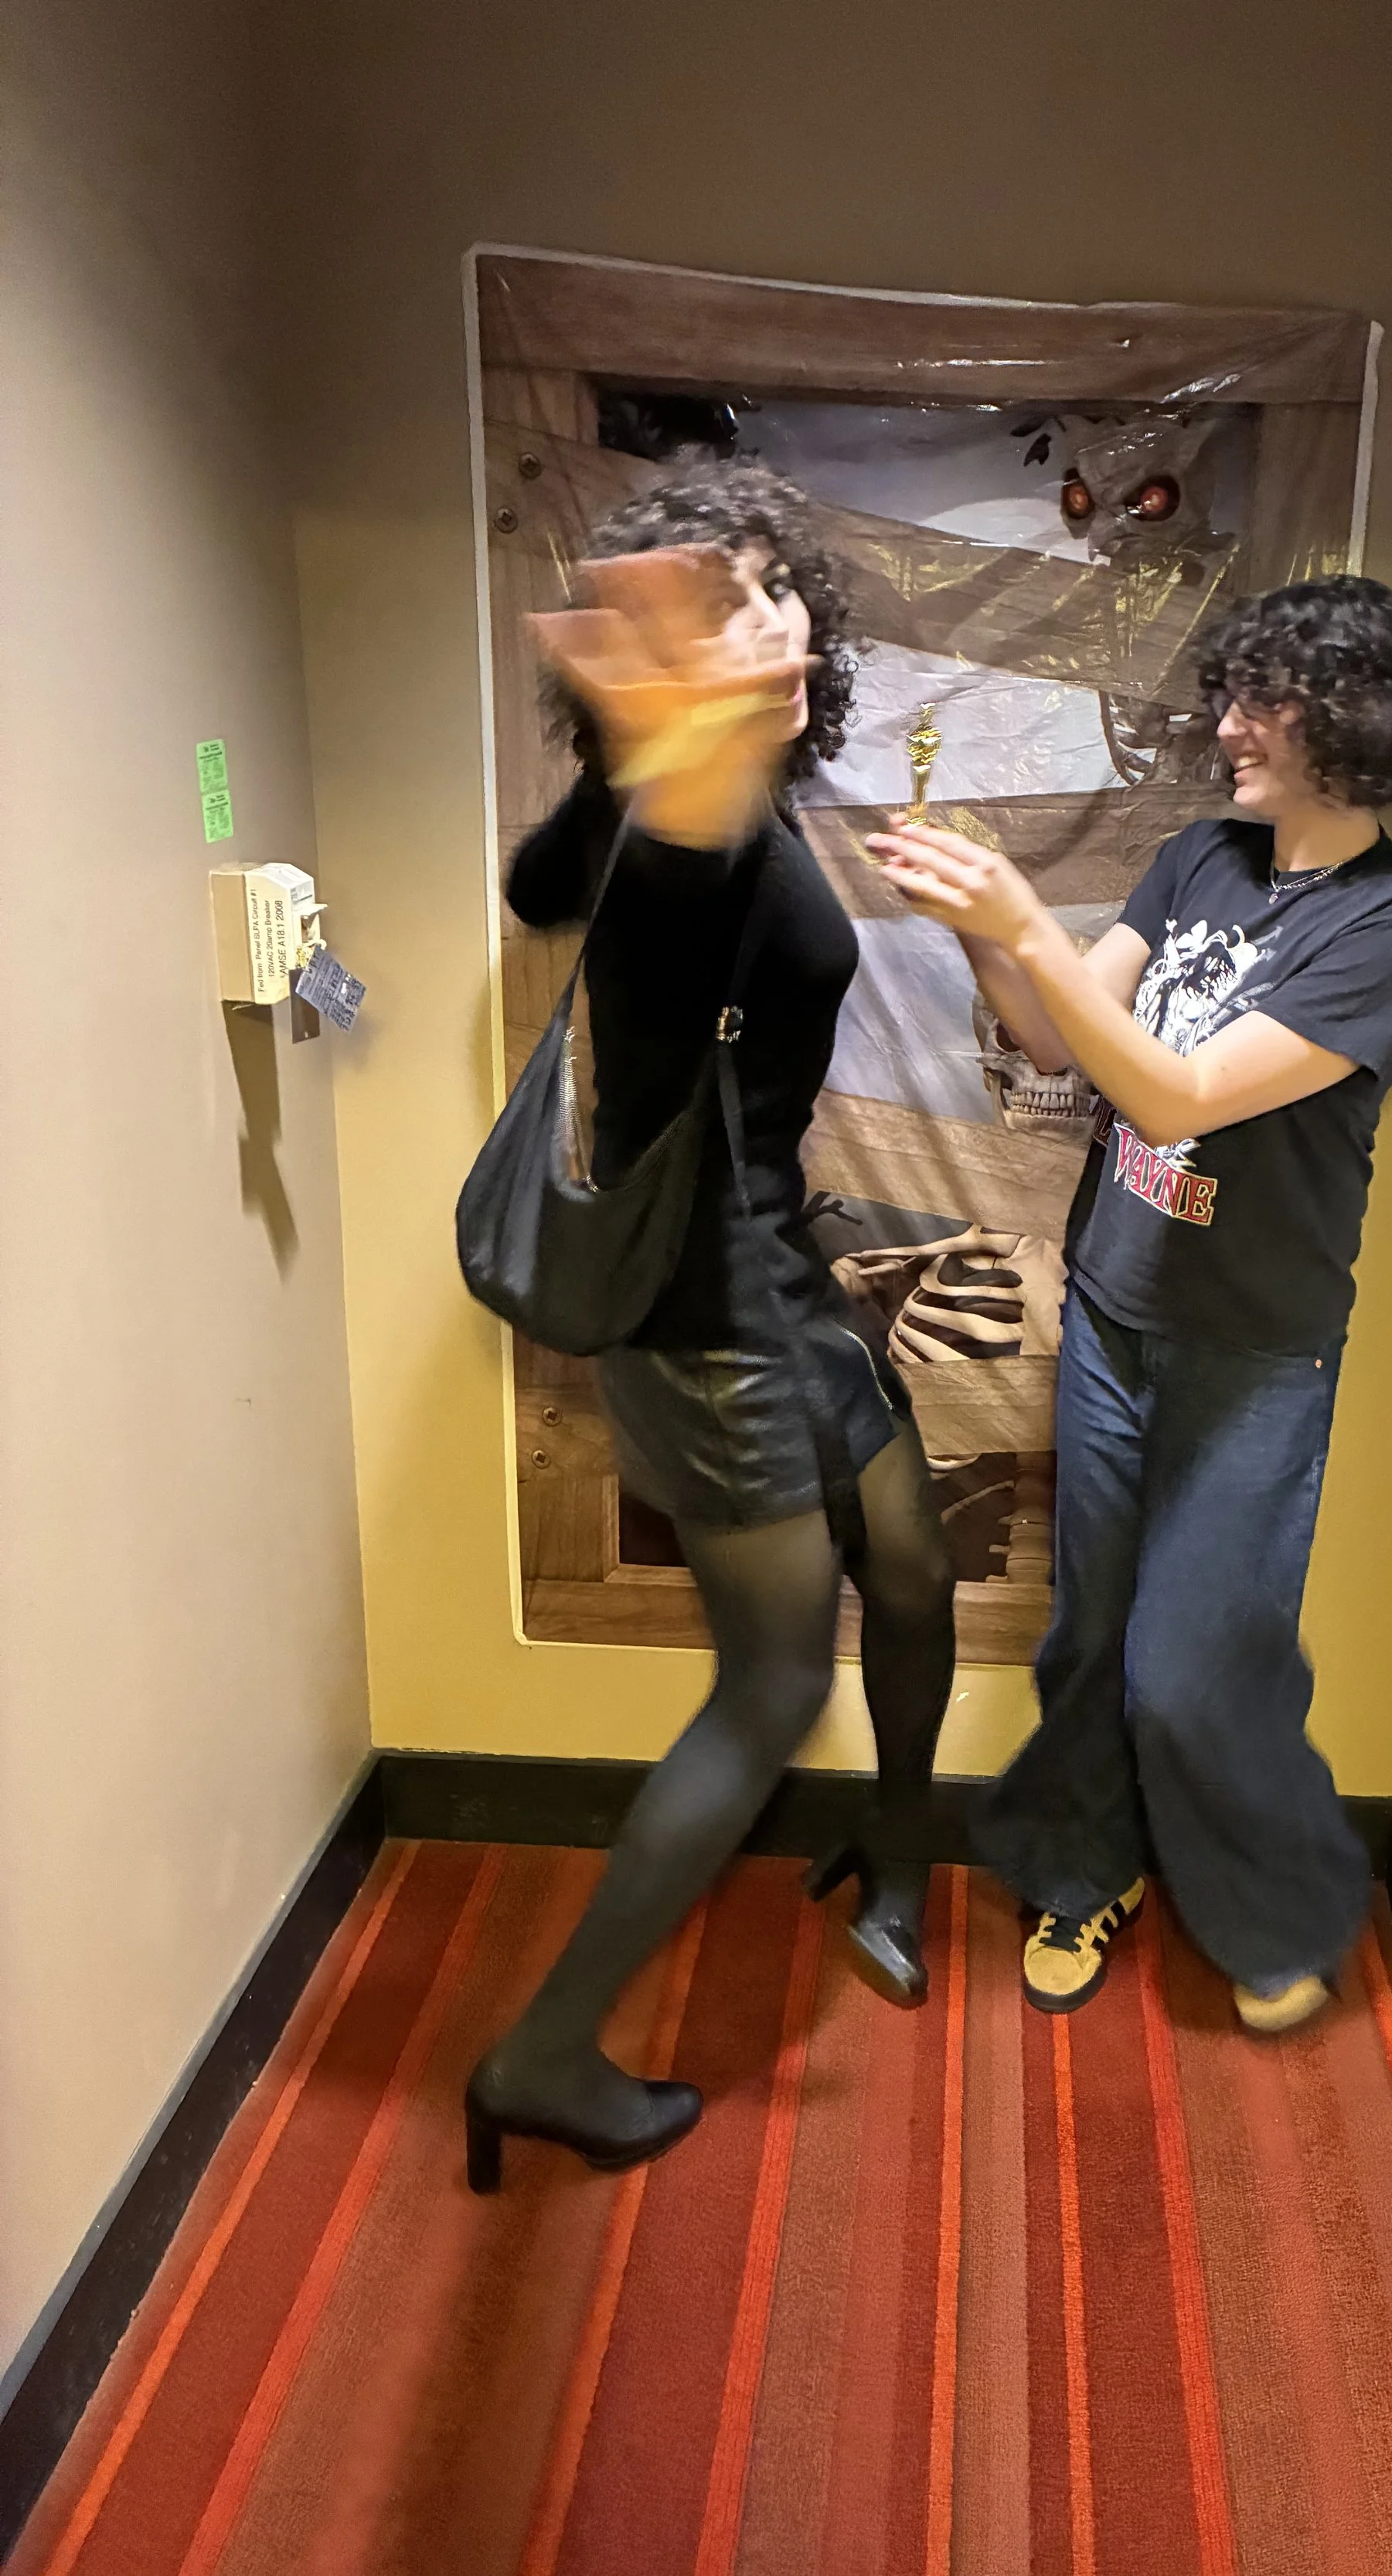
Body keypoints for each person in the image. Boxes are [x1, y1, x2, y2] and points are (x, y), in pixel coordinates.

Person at [869, 574, 1392, 2031]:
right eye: (1232, 694)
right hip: (1119, 1319)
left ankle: (1272, 1909)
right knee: (1089, 1638)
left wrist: (1028, 917)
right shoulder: (1201, 857)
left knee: (1199, 1669)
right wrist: (977, 927)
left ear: (1343, 723)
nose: (1227, 725)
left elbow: (1175, 1090)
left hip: (1252, 1356)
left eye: (1261, 701)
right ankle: (1083, 1869)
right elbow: (1053, 1044)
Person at [465, 465, 955, 2192]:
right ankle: (541, 2049)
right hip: (717, 1326)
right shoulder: (696, 821)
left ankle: (895, 1861)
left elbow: (536, 885)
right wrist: (662, 749)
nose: (776, 620)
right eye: (733, 599)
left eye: (777, 589)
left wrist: (652, 745)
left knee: (907, 1565)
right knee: (763, 1688)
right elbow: (613, 884)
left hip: (775, 1285)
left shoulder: (710, 790)